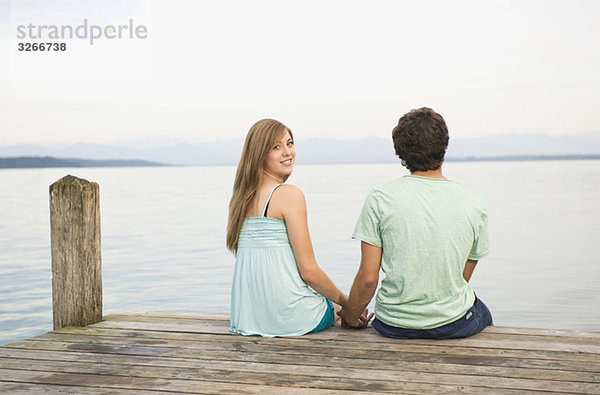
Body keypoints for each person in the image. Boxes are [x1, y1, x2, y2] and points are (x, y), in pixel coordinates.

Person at [338, 107, 493, 339]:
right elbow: (462, 276)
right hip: (452, 323)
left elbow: (368, 279)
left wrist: (351, 316)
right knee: (483, 313)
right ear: (444, 146)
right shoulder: (474, 204)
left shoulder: (380, 199)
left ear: (400, 152)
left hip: (393, 325)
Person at [227, 119, 364, 336]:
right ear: (259, 153)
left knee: (327, 300)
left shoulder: (241, 199)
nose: (287, 152)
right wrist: (348, 305)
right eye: (276, 146)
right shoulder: (288, 194)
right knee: (335, 306)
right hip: (290, 318)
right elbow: (309, 272)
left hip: (248, 319)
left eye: (289, 143)